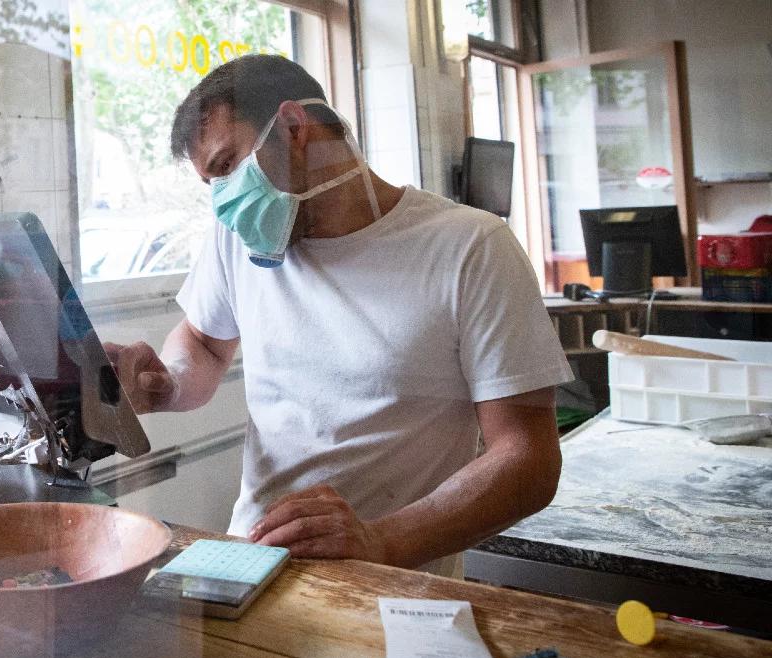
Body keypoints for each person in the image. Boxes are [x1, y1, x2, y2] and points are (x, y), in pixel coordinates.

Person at [106, 55, 572, 577]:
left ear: (294, 127)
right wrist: (165, 383)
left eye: (226, 167)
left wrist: (379, 540)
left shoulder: (470, 248)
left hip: (395, 583)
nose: (222, 203)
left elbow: (529, 459)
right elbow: (204, 342)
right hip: (250, 565)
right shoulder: (236, 242)